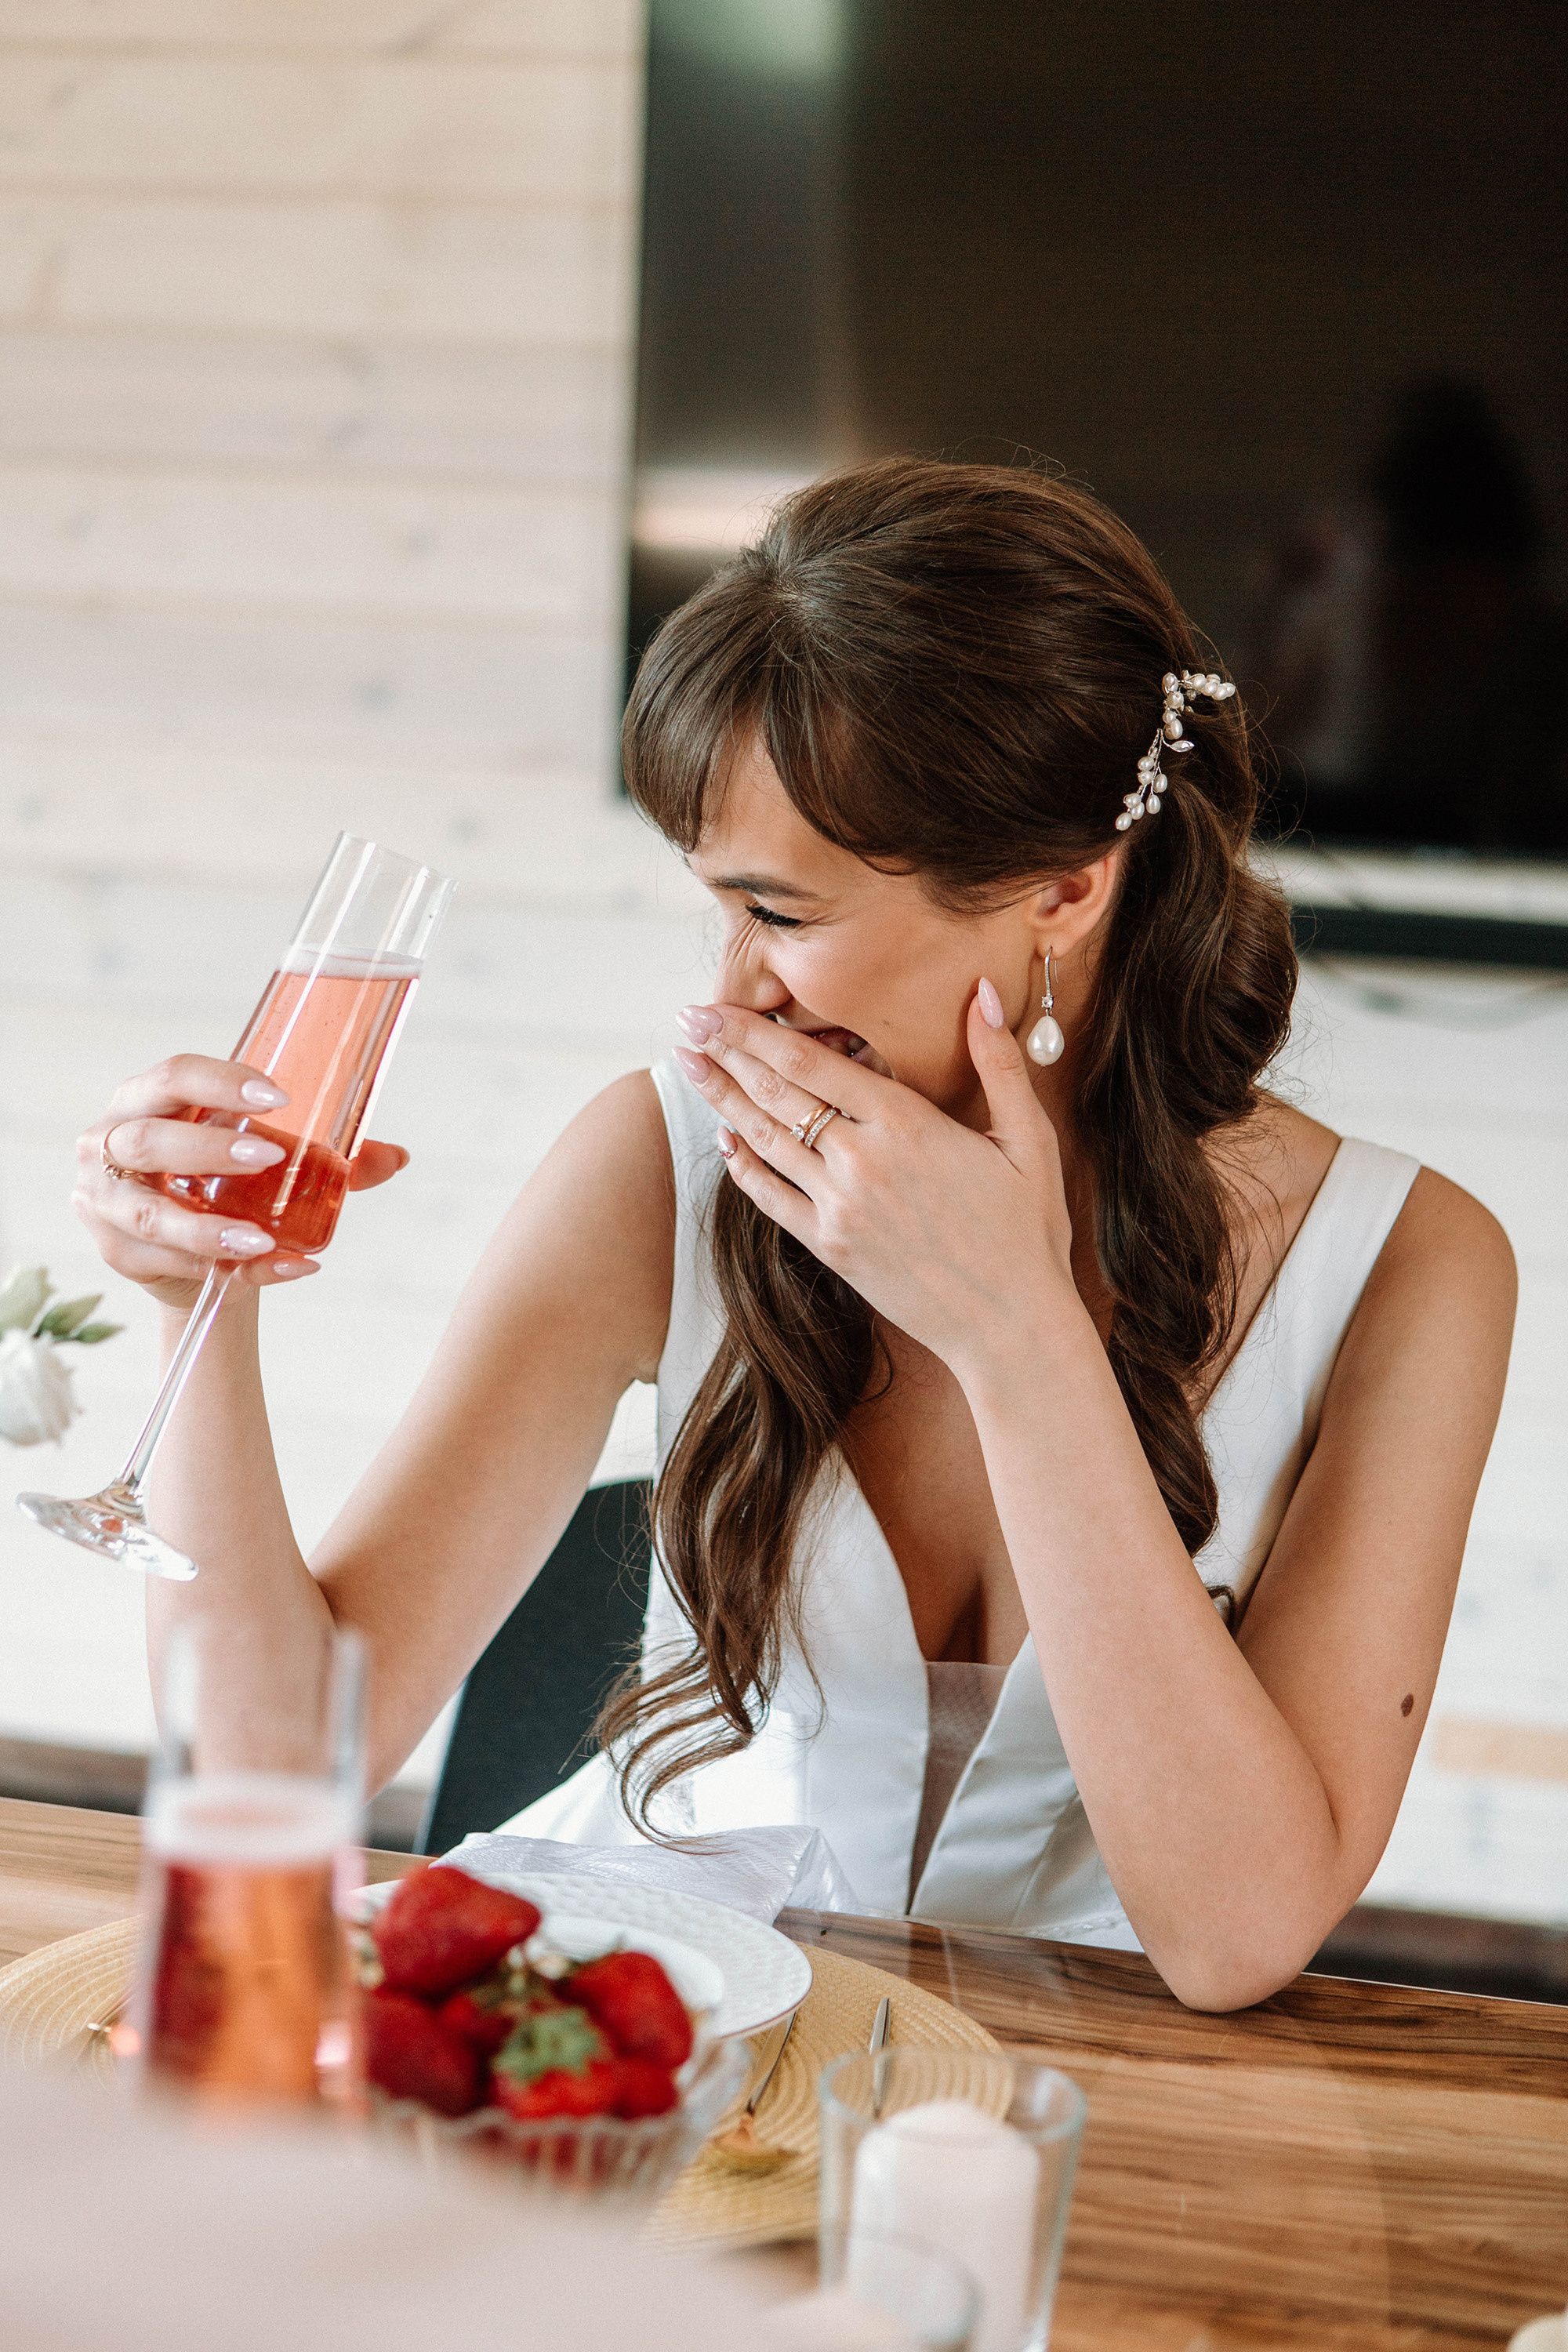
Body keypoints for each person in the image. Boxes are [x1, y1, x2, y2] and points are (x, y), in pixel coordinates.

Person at [75, 460, 1515, 2012]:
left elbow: (1234, 1937)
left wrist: (1015, 1332)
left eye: (780, 915)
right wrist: (198, 1307)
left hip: (1102, 2109)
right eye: (715, 906)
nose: (727, 995)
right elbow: (265, 1760)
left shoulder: (1409, 1265)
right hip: (642, 2041)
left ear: (1062, 887)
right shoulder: (657, 1165)